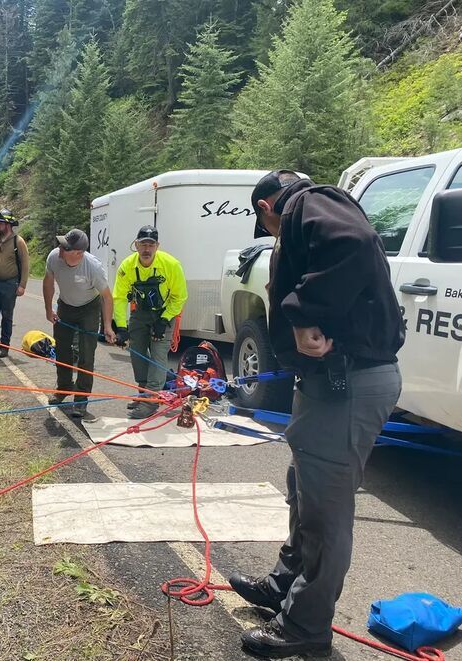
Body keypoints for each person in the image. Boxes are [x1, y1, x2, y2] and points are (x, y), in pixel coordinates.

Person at [230, 170, 404, 658]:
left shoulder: (307, 202)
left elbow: (355, 243)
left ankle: (306, 626)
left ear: (267, 207)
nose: (268, 232)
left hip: (348, 384)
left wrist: (305, 313)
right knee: (303, 489)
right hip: (328, 383)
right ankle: (285, 586)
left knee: (326, 513)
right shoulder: (310, 209)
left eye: (264, 224)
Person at [112, 226, 187, 419]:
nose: (146, 249)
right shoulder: (127, 266)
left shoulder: (171, 265)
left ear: (157, 246)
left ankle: (152, 400)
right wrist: (121, 327)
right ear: (136, 245)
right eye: (143, 244)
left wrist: (164, 320)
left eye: (150, 245)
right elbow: (119, 297)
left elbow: (180, 297)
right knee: (137, 352)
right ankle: (143, 392)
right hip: (140, 313)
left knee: (158, 355)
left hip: (165, 313)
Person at [42, 229, 116, 421]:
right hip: (65, 306)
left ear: (78, 253)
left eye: (64, 247)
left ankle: (81, 399)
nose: (60, 248)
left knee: (86, 353)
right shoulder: (54, 258)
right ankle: (64, 387)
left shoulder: (93, 267)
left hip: (89, 309)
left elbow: (107, 297)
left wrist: (107, 325)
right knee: (63, 350)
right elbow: (48, 283)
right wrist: (48, 309)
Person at [0, 209, 30, 358]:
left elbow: (25, 264)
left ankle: (4, 347)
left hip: (9, 284)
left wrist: (22, 285)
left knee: (7, 317)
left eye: (0, 223)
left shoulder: (18, 242)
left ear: (7, 224)